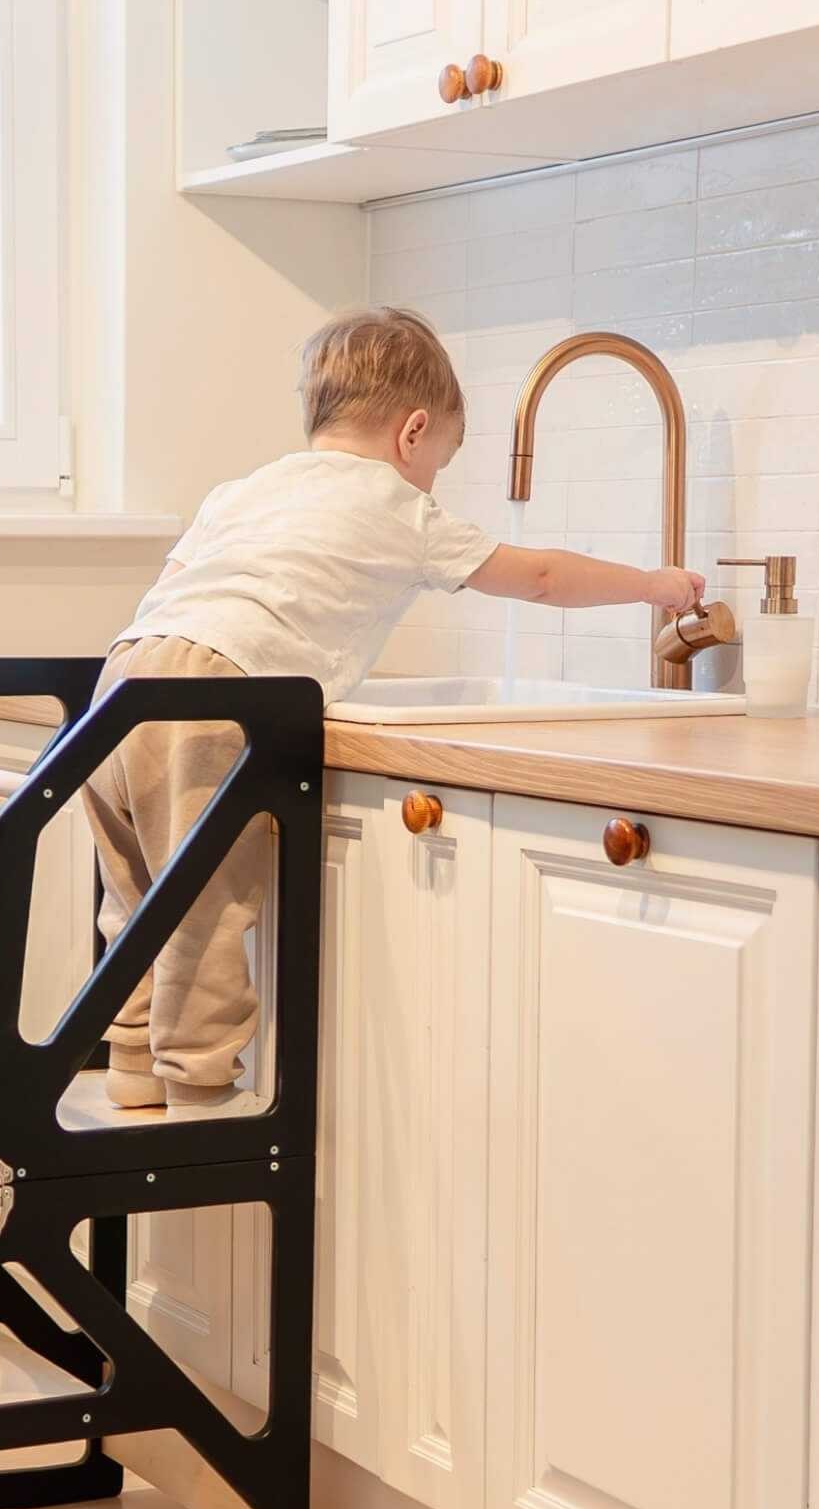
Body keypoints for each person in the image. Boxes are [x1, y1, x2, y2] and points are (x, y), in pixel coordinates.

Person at [84, 304, 705, 1111]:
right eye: (441, 459)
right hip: (215, 694)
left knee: (137, 892)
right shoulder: (396, 507)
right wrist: (656, 585)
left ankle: (132, 1065)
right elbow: (542, 577)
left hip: (122, 679)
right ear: (413, 433)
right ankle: (196, 1097)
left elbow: (183, 589)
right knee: (205, 908)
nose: (433, 480)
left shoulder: (243, 490)